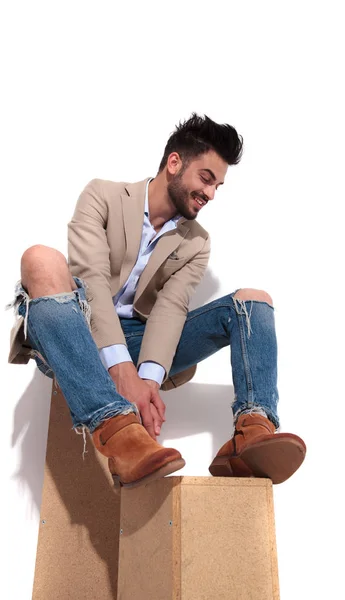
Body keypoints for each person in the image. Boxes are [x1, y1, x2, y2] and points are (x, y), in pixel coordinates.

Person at [8, 113, 306, 488]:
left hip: (144, 343)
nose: (211, 194)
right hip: (78, 334)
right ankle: (117, 430)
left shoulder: (197, 241)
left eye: (218, 186)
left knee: (254, 301)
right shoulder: (103, 195)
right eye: (206, 178)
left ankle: (253, 432)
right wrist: (122, 372)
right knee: (40, 258)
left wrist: (147, 382)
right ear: (174, 163)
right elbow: (93, 281)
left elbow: (171, 309)